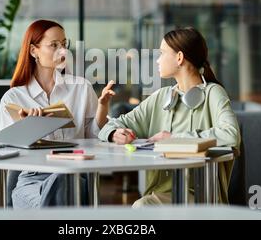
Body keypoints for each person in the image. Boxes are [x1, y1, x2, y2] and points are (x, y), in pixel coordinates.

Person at [98, 27, 240, 207]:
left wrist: (174, 139)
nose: (157, 60)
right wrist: (114, 133)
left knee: (142, 207)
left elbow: (231, 134)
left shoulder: (214, 93)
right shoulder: (162, 96)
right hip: (162, 193)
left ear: (179, 58)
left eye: (162, 53)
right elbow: (114, 124)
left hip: (201, 195)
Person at [0, 19, 115, 208]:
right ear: (33, 51)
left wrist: (102, 107)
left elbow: (95, 137)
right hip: (32, 179)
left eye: (64, 44)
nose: (62, 51)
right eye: (54, 45)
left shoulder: (81, 88)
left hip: (72, 175)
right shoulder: (13, 98)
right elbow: (9, 152)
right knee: (55, 200)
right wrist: (29, 129)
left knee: (62, 181)